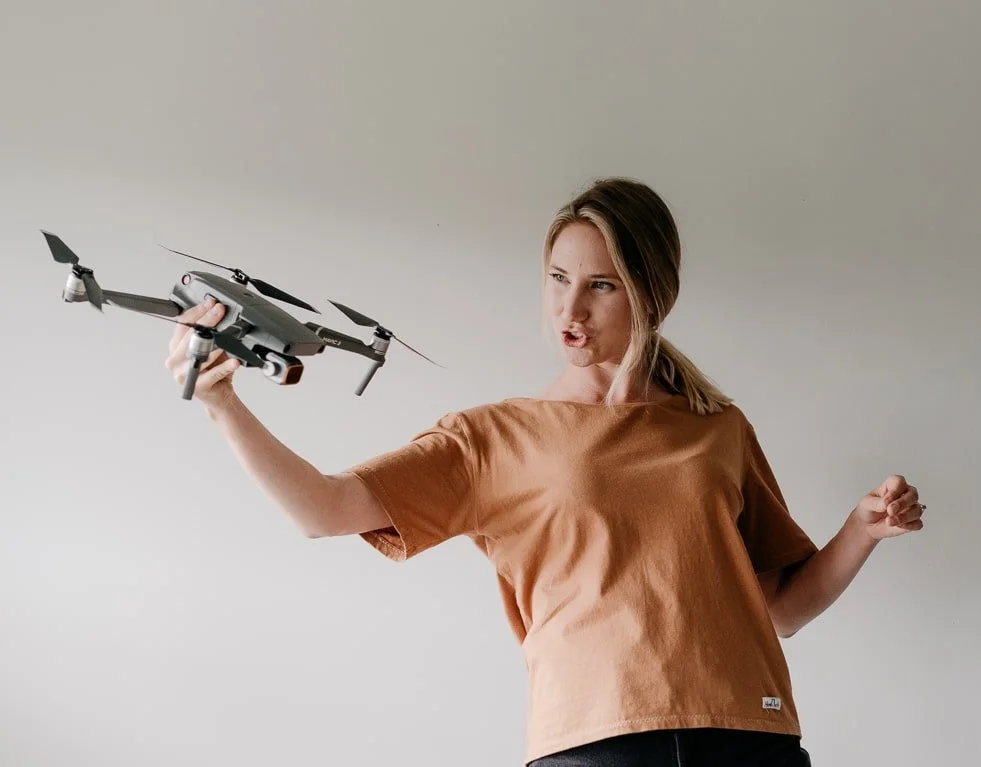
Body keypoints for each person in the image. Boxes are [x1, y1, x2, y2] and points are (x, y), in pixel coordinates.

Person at [165, 177, 926, 766]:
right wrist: (222, 403)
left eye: (601, 284)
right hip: (595, 744)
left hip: (749, 735)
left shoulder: (716, 429)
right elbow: (324, 509)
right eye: (558, 278)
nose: (571, 306)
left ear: (650, 294)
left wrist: (860, 531)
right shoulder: (493, 437)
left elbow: (779, 610)